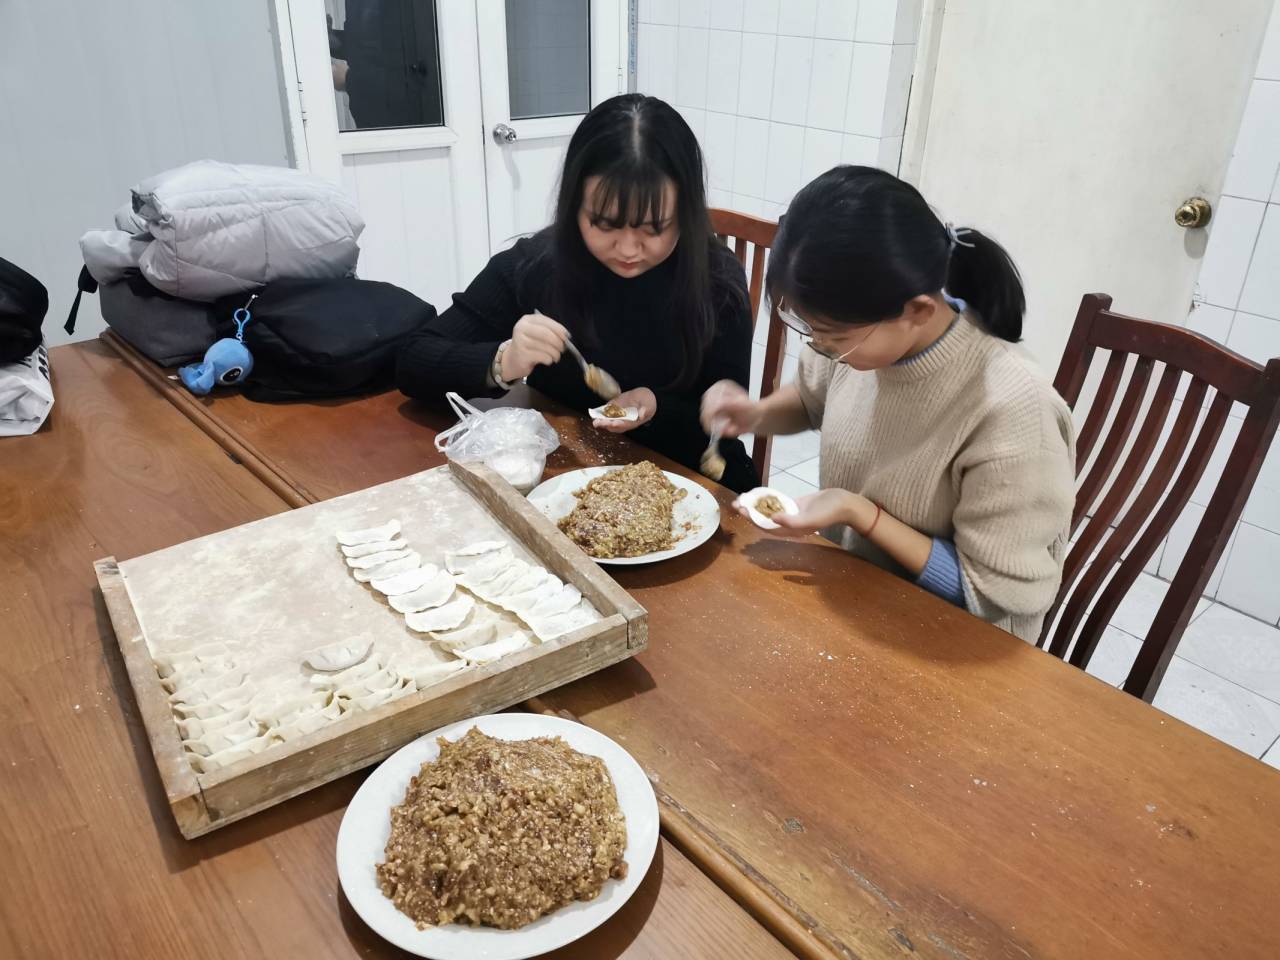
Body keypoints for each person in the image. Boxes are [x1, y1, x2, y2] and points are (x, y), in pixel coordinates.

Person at [701, 166, 1075, 643]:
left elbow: (991, 595)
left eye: (833, 338)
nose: (821, 348)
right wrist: (756, 414)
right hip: (858, 598)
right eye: (811, 331)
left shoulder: (1013, 409)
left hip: (961, 643)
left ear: (917, 310)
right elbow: (812, 401)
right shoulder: (854, 344)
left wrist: (859, 513)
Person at [396, 94, 757, 492]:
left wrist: (658, 407)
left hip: (692, 482)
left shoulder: (715, 284)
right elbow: (413, 360)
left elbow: (724, 424)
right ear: (575, 207)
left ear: (685, 214)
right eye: (604, 224)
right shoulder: (538, 266)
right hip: (566, 482)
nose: (628, 249)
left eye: (654, 228)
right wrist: (504, 361)